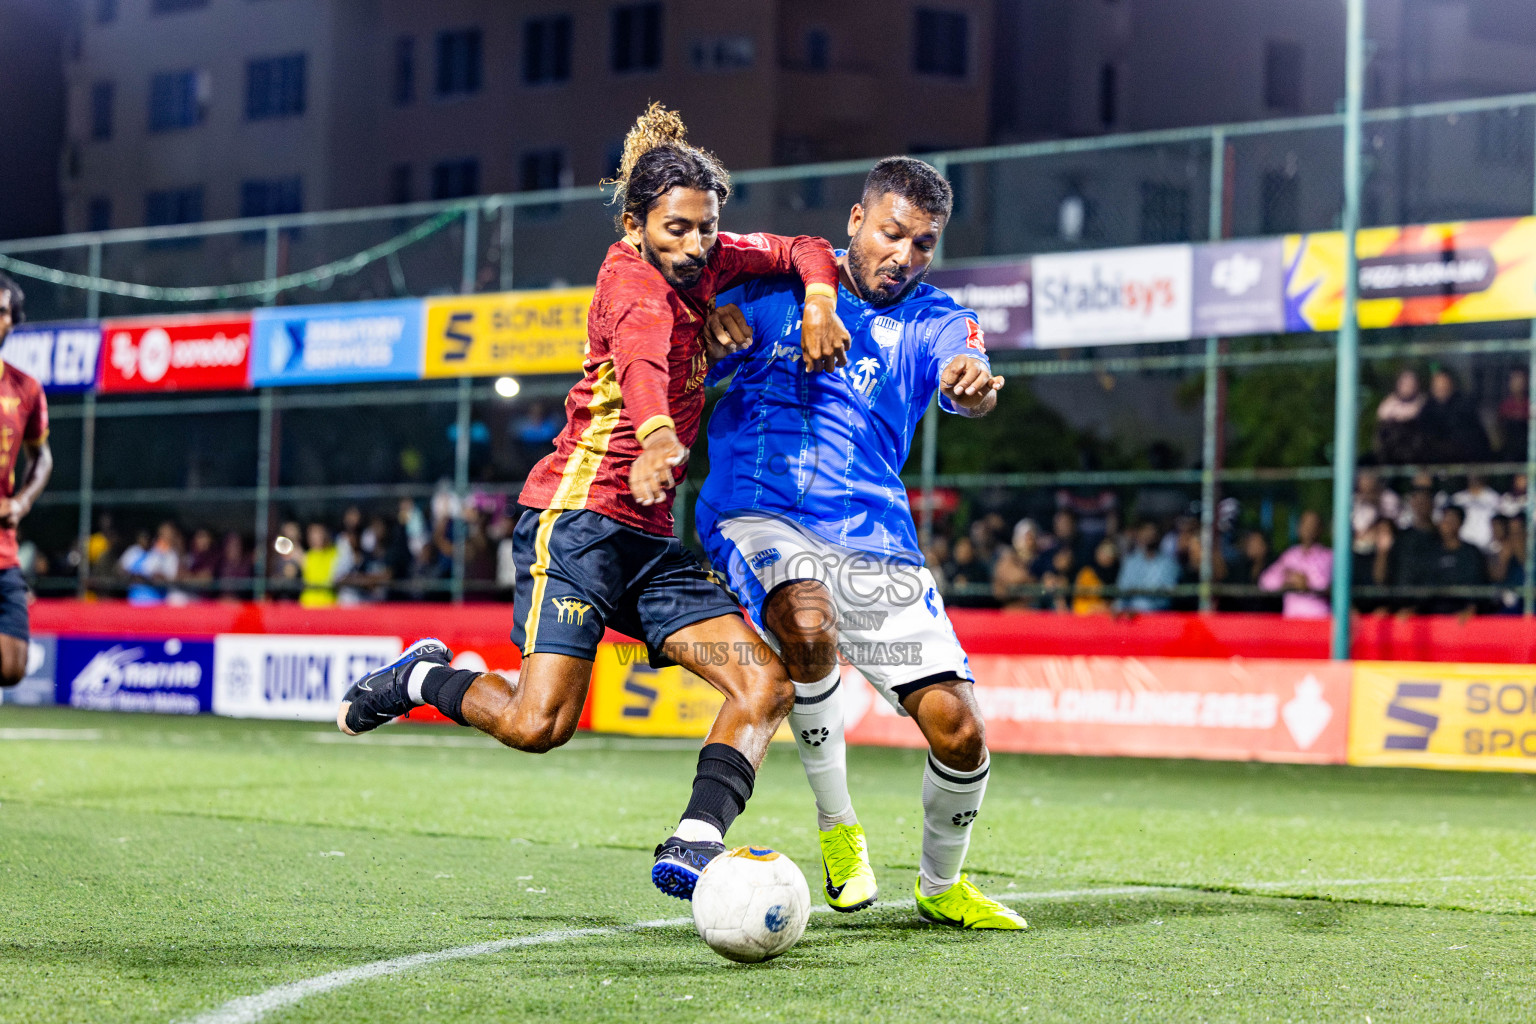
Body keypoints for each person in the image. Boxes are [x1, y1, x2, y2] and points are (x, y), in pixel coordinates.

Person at [337, 104, 851, 902]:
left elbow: (805, 248)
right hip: (575, 525)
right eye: (675, 229)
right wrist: (652, 439)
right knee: (537, 725)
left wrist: (817, 300)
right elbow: (644, 367)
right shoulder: (634, 286)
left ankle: (695, 840)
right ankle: (420, 681)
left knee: (766, 686)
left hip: (645, 540)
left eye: (706, 228)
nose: (694, 245)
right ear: (636, 223)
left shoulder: (707, 262)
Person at [693, 156, 1024, 929]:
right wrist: (709, 333)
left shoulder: (934, 316)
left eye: (923, 242)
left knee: (961, 730)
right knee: (806, 620)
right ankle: (838, 826)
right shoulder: (774, 290)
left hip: (875, 540)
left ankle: (941, 888)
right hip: (758, 514)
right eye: (891, 233)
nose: (903, 255)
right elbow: (690, 336)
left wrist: (970, 384)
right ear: (856, 221)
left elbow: (962, 367)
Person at [0, 274, 52, 686]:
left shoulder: (25, 388)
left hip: (3, 547)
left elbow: (43, 457)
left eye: (0, 311)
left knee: (13, 667)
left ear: (12, 321)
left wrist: (21, 503)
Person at [1397, 505, 1486, 616]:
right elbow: (1424, 583)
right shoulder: (1430, 552)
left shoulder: (1471, 553)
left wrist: (1471, 608)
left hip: (1460, 612)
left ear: (1460, 523)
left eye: (1452, 519)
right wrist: (1413, 608)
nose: (1447, 523)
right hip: (1431, 611)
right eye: (1445, 519)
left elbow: (1477, 584)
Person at [1258, 510, 1332, 619]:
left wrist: (1306, 584)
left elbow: (1324, 584)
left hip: (1318, 620)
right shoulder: (1290, 555)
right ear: (1298, 528)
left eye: (1313, 525)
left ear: (1320, 529)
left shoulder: (1329, 556)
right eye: (1305, 524)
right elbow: (1265, 582)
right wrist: (1288, 580)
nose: (1308, 529)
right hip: (1292, 621)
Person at [1115, 521, 1179, 612]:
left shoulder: (1169, 564)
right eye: (1145, 532)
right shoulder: (1130, 562)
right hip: (1130, 616)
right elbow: (1123, 590)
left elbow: (1166, 597)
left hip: (1158, 616)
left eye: (1152, 533)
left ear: (1158, 536)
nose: (1148, 536)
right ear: (1139, 535)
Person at [1374, 369, 1426, 465]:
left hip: (1415, 454)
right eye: (1405, 384)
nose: (1408, 387)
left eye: (1411, 384)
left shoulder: (1424, 404)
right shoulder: (1388, 404)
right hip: (1390, 453)